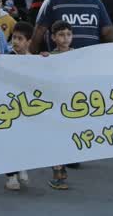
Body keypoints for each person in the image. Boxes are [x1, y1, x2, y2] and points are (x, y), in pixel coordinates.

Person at [43, 20, 75, 190]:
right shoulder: (49, 57)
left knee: (67, 139)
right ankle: (57, 172)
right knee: (56, 139)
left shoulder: (80, 55)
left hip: (74, 106)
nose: (65, 38)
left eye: (68, 34)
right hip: (55, 106)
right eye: (61, 35)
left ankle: (61, 168)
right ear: (53, 37)